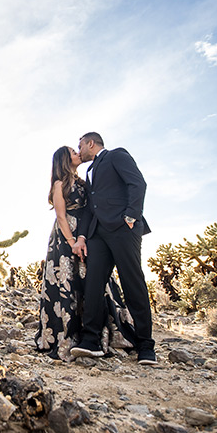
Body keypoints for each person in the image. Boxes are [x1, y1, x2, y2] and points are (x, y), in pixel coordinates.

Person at [36, 146, 136, 361]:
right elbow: (61, 216)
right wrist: (72, 241)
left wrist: (83, 238)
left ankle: (95, 333)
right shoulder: (59, 184)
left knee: (91, 281)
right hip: (65, 238)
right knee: (68, 282)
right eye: (73, 151)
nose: (77, 152)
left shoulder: (83, 182)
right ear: (64, 159)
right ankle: (68, 335)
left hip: (87, 234)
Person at [70, 132, 158, 365]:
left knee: (132, 281)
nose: (79, 151)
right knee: (93, 283)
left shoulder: (117, 155)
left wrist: (131, 216)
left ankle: (146, 345)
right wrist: (83, 235)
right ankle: (91, 340)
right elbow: (90, 207)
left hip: (123, 228)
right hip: (97, 234)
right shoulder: (89, 172)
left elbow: (137, 183)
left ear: (91, 143)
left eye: (80, 146)